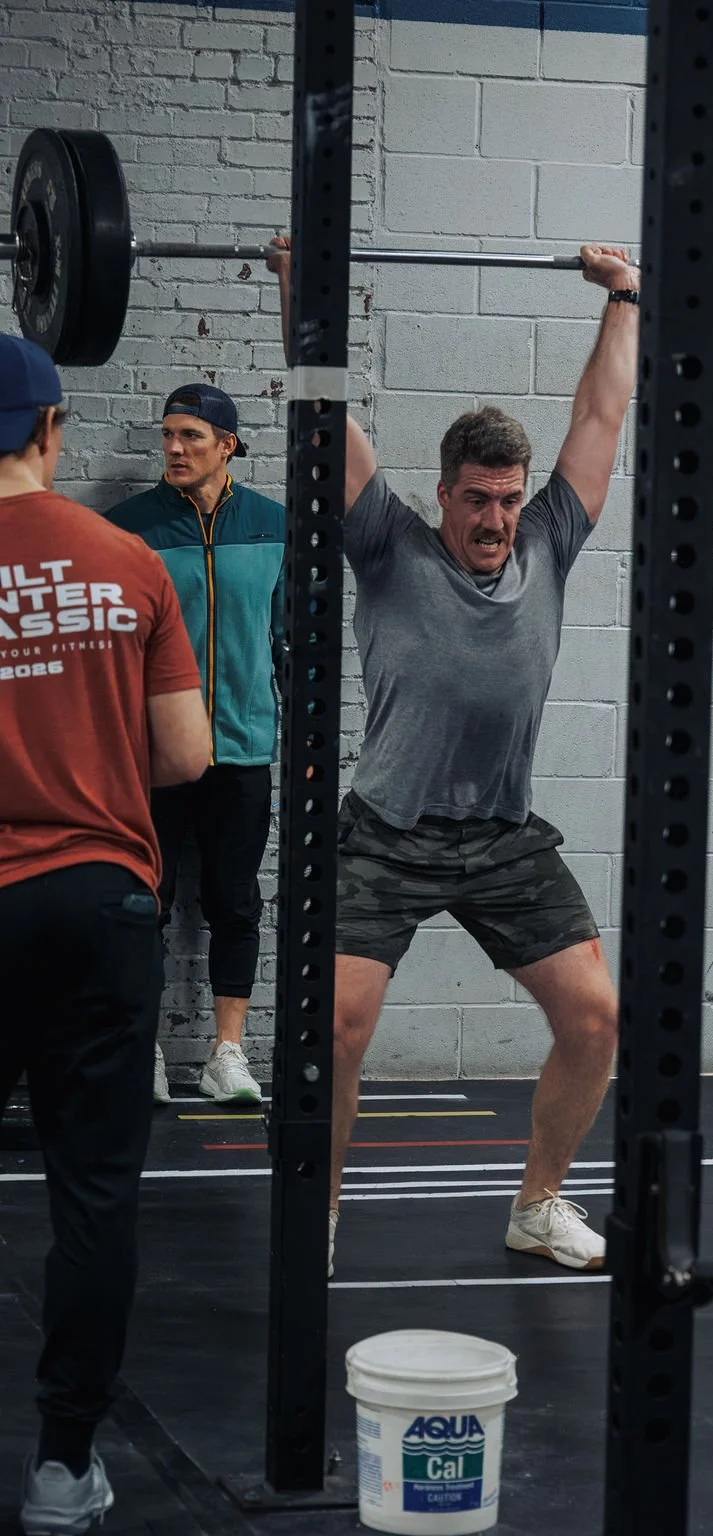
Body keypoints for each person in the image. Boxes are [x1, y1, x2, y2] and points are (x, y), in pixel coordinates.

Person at [269, 237, 638, 1275]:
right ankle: (322, 1216)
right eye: (478, 498)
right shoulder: (385, 543)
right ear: (443, 493)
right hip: (385, 834)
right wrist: (305, 288)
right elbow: (322, 419)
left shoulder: (549, 542)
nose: (495, 518)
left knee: (597, 1017)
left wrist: (624, 299)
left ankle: (538, 1203)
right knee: (336, 1023)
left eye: (509, 498)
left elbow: (601, 419)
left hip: (504, 837)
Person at [0, 335, 210, 1534]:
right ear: (50, 432)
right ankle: (61, 1472)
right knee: (93, 1195)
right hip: (99, 900)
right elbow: (185, 756)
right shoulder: (128, 559)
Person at [107, 386, 286, 1106]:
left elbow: (292, 639)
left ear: (228, 445)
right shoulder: (128, 529)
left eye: (191, 436)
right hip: (152, 753)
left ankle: (227, 1053)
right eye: (168, 436)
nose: (174, 449)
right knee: (144, 899)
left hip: (245, 748)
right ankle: (144, 1049)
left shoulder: (274, 525)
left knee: (235, 902)